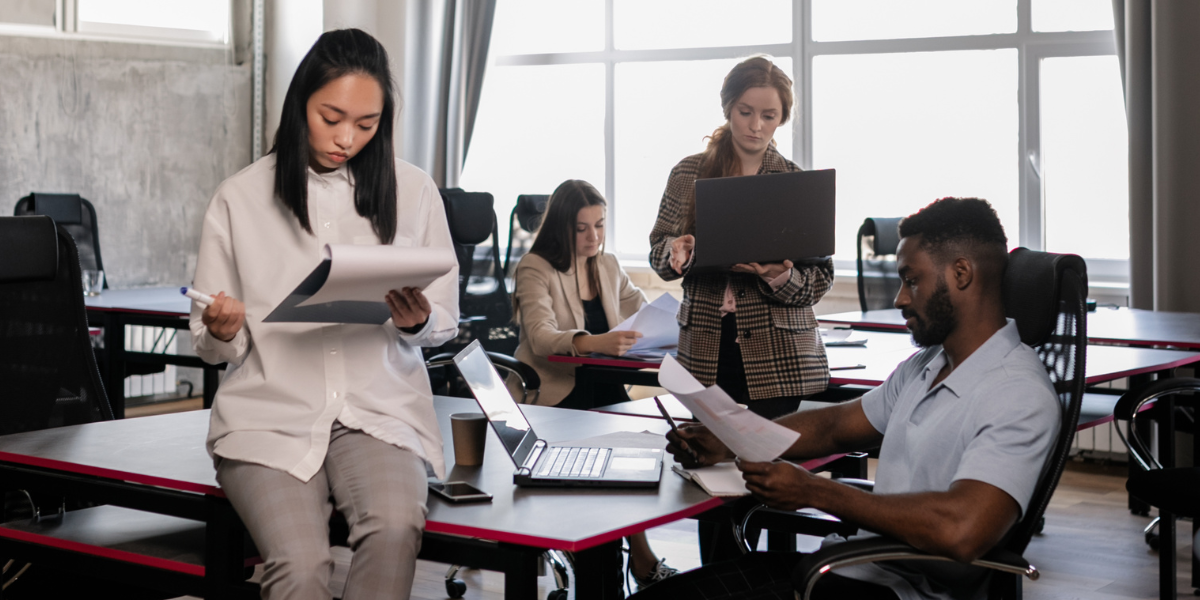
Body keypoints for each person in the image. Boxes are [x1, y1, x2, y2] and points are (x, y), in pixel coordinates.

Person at [634, 198, 1061, 600]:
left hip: (898, 591)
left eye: (912, 280)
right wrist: (730, 439)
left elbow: (961, 530)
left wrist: (818, 493)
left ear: (961, 274)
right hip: (851, 567)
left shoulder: (1018, 394)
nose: (900, 299)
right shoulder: (928, 365)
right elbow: (836, 427)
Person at [189, 29, 458, 600]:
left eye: (366, 125)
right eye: (330, 117)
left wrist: (415, 322)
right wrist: (223, 331)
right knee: (301, 562)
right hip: (270, 416)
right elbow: (210, 343)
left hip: (379, 410)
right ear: (299, 103)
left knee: (394, 525)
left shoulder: (413, 190)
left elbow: (443, 323)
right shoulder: (241, 197)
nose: (346, 138)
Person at [648, 54, 835, 564]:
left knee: (773, 484)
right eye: (746, 112)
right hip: (707, 353)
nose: (756, 126)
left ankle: (778, 583)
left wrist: (779, 274)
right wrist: (676, 253)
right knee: (712, 484)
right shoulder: (688, 173)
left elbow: (819, 280)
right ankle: (721, 585)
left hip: (778, 356)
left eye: (769, 116)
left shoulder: (796, 182)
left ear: (782, 118)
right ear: (729, 109)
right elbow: (658, 253)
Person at [511, 179, 678, 589]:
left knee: (632, 446)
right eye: (582, 228)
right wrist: (595, 342)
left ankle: (632, 560)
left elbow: (643, 312)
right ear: (561, 228)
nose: (594, 237)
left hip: (603, 386)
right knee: (621, 447)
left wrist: (675, 325)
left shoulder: (607, 265)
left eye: (600, 225)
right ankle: (637, 560)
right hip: (555, 389)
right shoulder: (536, 267)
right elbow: (540, 336)